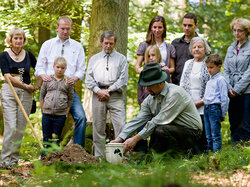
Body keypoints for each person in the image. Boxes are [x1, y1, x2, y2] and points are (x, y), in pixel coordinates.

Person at [112, 63, 202, 155]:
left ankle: (181, 156)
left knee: (159, 129)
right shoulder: (150, 99)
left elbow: (159, 120)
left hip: (192, 132)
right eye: (145, 85)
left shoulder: (175, 94)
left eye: (150, 85)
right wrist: (120, 138)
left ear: (160, 82)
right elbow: (138, 120)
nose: (147, 88)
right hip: (170, 129)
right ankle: (152, 158)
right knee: (147, 128)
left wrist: (135, 139)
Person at [35, 16, 87, 147]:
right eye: (62, 28)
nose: (65, 31)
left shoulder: (77, 46)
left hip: (67, 89)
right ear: (57, 27)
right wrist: (43, 75)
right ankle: (47, 154)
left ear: (71, 29)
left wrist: (73, 79)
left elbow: (81, 70)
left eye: (68, 29)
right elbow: (38, 67)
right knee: (48, 123)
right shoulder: (48, 44)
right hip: (49, 90)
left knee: (81, 117)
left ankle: (78, 150)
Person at [85, 30, 128, 158]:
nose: (108, 46)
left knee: (121, 125)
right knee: (98, 127)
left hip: (115, 95)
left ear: (115, 43)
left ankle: (121, 157)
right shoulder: (94, 59)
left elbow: (123, 80)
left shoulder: (121, 58)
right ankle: (100, 157)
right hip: (98, 94)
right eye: (106, 43)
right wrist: (99, 91)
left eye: (111, 43)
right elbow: (88, 79)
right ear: (101, 43)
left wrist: (108, 91)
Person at [0, 27, 37, 168]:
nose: (18, 40)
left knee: (20, 127)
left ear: (24, 40)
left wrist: (37, 84)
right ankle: (4, 161)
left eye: (21, 38)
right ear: (10, 39)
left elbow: (39, 69)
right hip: (10, 91)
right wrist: (25, 85)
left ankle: (14, 161)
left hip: (26, 94)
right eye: (15, 38)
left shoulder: (29, 55)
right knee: (11, 126)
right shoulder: (3, 55)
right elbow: (7, 76)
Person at [179, 36, 211, 152]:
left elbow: (213, 86)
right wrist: (187, 102)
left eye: (200, 47)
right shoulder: (188, 63)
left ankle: (202, 156)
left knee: (202, 133)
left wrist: (200, 102)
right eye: (194, 47)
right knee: (189, 132)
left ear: (205, 49)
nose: (197, 49)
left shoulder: (209, 62)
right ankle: (189, 155)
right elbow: (182, 84)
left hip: (204, 104)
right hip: (188, 105)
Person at [223, 18, 250, 145]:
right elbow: (226, 70)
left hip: (246, 91)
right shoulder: (231, 48)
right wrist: (229, 88)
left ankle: (246, 150)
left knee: (245, 123)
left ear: (246, 31)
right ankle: (235, 149)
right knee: (234, 122)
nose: (236, 33)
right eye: (234, 30)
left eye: (240, 31)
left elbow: (249, 73)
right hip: (231, 90)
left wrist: (237, 89)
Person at [40, 57, 74, 151]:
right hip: (47, 114)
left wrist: (66, 112)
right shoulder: (47, 79)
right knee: (46, 137)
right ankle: (44, 158)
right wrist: (43, 109)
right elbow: (41, 95)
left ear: (65, 69)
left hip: (60, 115)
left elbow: (71, 98)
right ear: (53, 66)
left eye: (62, 68)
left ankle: (53, 159)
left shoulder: (68, 82)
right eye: (58, 67)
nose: (59, 70)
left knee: (56, 138)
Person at [204, 54, 229, 152]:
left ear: (219, 66)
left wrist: (223, 114)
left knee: (215, 135)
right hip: (206, 108)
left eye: (211, 67)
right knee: (208, 135)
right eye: (207, 67)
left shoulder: (221, 80)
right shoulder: (210, 81)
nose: (209, 70)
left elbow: (224, 98)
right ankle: (210, 156)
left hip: (215, 109)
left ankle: (217, 156)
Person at [171, 13, 199, 85]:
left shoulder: (202, 44)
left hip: (194, 85)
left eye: (190, 25)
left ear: (196, 26)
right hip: (176, 84)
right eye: (184, 25)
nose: (186, 28)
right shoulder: (175, 43)